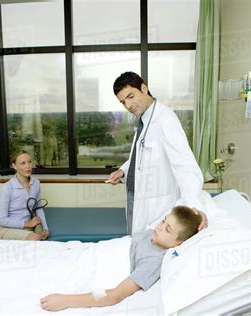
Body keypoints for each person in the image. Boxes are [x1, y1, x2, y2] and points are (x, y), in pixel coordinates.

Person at [40, 205, 202, 312]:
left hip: (96, 267)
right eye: (163, 221)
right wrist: (200, 215)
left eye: (167, 229)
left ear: (178, 243)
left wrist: (66, 300)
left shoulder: (153, 261)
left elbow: (115, 294)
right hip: (92, 253)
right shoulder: (155, 235)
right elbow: (194, 213)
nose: (159, 227)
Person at [107, 71, 207, 234]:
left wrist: (193, 207)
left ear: (144, 88)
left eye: (131, 96)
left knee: (147, 249)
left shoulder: (165, 120)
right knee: (136, 245)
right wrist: (122, 171)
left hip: (155, 205)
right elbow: (140, 156)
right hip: (135, 196)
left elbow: (185, 165)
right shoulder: (144, 120)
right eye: (123, 102)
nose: (128, 105)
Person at [0, 150, 50, 241]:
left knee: (43, 237)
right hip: (8, 228)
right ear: (14, 166)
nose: (28, 166)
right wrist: (27, 224)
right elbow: (2, 219)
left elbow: (39, 207)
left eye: (29, 162)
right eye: (23, 163)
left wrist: (45, 228)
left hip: (29, 226)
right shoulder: (7, 188)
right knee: (35, 238)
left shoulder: (36, 183)